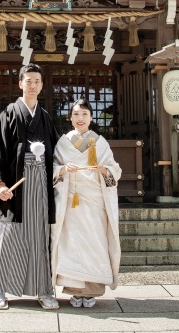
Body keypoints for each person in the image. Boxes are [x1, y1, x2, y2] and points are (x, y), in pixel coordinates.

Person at [0, 63, 60, 311]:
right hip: (14, 186)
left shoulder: (45, 118)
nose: (33, 85)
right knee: (8, 237)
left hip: (40, 184)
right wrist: (0, 184)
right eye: (29, 81)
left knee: (39, 238)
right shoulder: (8, 115)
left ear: (42, 85)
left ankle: (43, 290)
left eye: (37, 81)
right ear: (20, 83)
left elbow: (57, 152)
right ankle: (0, 291)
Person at [51, 99, 121, 308]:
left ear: (91, 117)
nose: (80, 118)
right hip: (70, 201)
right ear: (70, 117)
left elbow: (114, 169)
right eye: (76, 114)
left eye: (84, 114)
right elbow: (53, 168)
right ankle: (73, 289)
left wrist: (103, 170)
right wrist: (63, 169)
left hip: (94, 201)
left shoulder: (100, 142)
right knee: (71, 244)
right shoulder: (63, 142)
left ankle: (91, 290)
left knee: (94, 243)